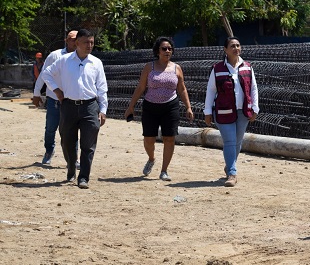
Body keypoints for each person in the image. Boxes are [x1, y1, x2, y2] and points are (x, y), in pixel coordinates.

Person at [40, 29, 108, 189]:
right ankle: (71, 168)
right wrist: (56, 90)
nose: (89, 45)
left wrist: (103, 109)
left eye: (91, 42)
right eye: (86, 42)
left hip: (90, 107)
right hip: (68, 106)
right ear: (77, 43)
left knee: (88, 145)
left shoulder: (96, 63)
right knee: (67, 142)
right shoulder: (64, 61)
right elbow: (46, 74)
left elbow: (102, 88)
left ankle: (83, 177)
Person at [124, 36, 194, 182]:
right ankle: (151, 158)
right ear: (157, 51)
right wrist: (131, 107)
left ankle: (164, 171)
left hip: (171, 106)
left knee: (169, 138)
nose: (167, 51)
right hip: (150, 106)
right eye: (164, 48)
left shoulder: (177, 68)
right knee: (149, 139)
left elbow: (182, 89)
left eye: (170, 49)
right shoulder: (149, 67)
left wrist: (188, 107)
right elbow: (141, 87)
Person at [204, 36, 259, 187]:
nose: (236, 48)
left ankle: (229, 165)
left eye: (238, 45)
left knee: (238, 142)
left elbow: (253, 88)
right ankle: (232, 173)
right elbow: (210, 91)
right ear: (225, 50)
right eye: (232, 46)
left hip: (243, 111)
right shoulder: (217, 69)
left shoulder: (247, 67)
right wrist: (207, 112)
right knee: (229, 141)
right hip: (223, 111)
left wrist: (255, 108)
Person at [32, 30, 79, 166]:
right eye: (72, 39)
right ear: (66, 40)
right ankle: (49, 151)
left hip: (71, 100)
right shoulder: (55, 55)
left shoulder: (81, 57)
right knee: (51, 128)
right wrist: (36, 93)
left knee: (71, 130)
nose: (74, 42)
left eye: (77, 40)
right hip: (54, 99)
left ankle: (73, 158)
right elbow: (43, 75)